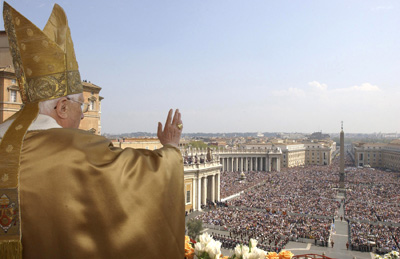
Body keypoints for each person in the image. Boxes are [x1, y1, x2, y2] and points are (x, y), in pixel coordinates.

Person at [0, 2, 184, 258]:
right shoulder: (77, 148)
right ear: (62, 108)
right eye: (81, 105)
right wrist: (171, 150)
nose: (84, 112)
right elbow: (142, 180)